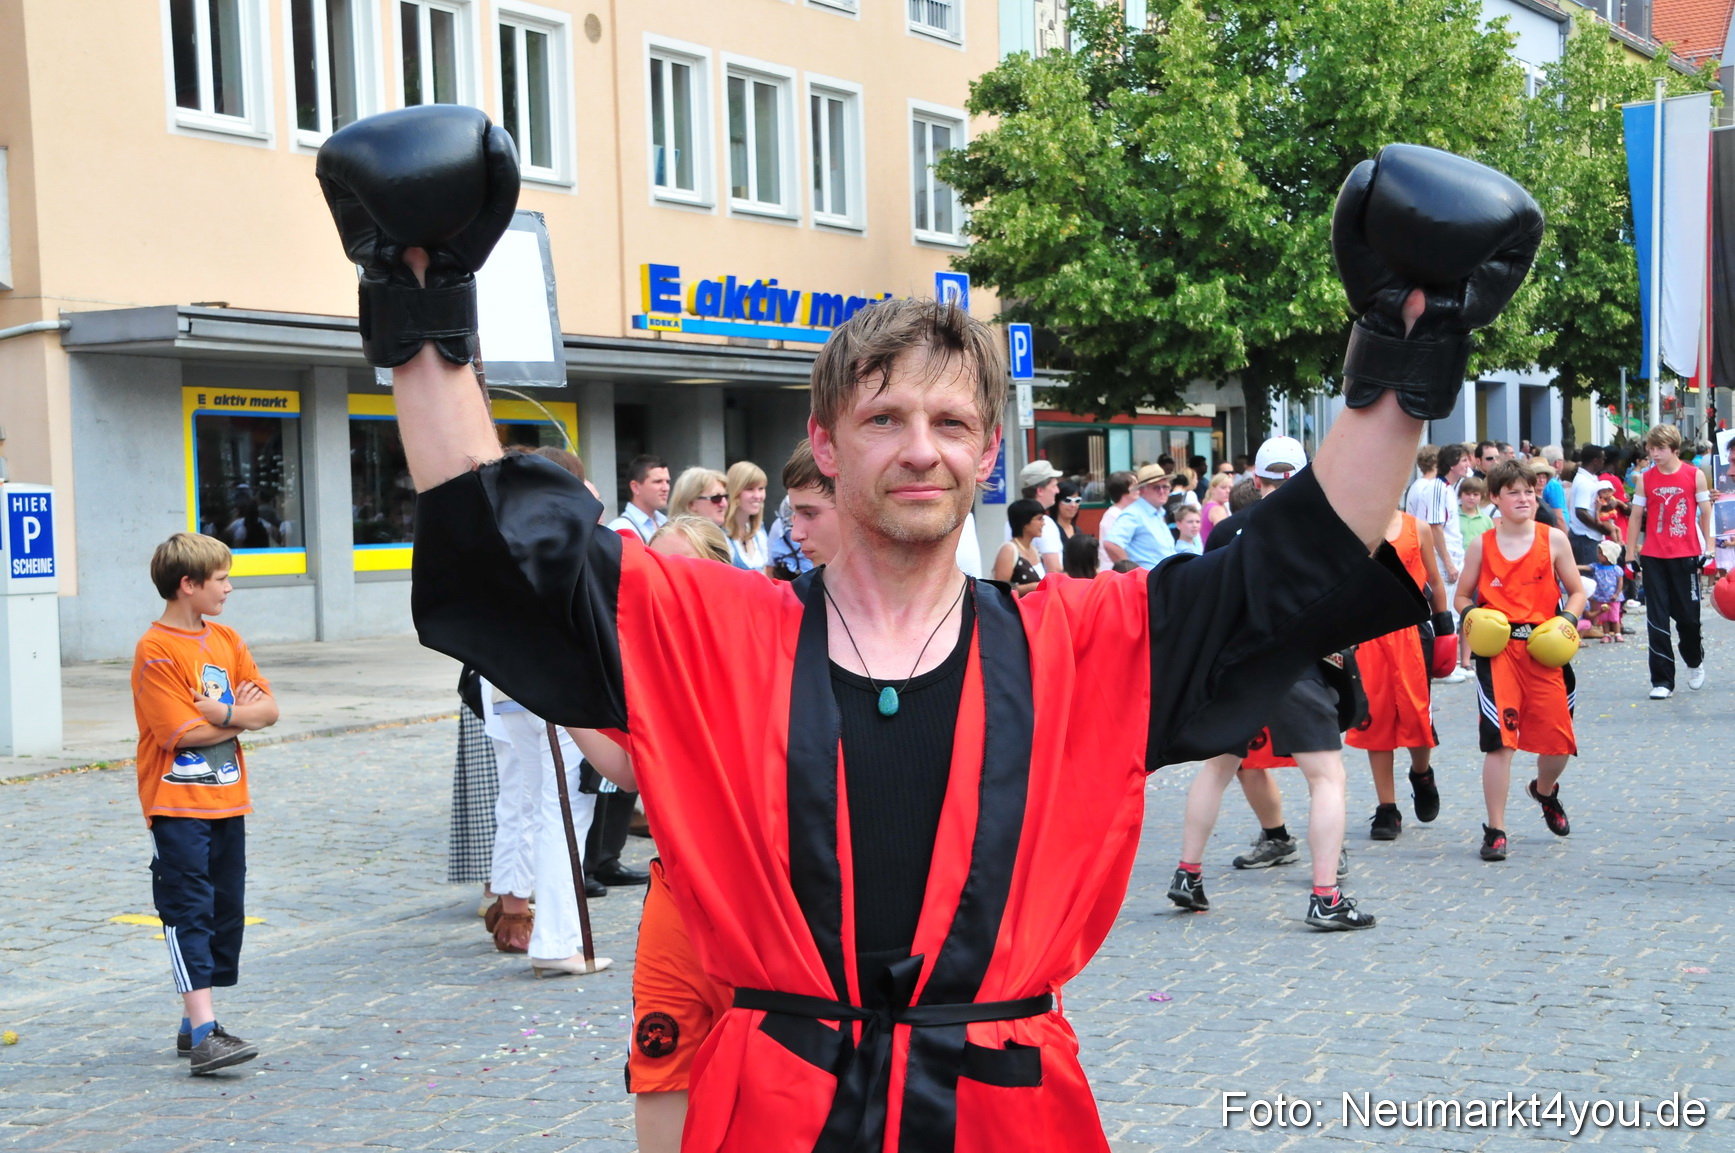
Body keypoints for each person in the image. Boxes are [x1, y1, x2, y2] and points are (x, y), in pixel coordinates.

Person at [318, 110, 1536, 1149]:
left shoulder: (1083, 643)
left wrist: (1406, 345)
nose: (919, 447)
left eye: (951, 423)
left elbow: (1297, 560)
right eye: (885, 415)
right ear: (828, 438)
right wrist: (420, 304)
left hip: (1000, 1105)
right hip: (775, 1105)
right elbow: (509, 555)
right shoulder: (714, 626)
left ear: (989, 452)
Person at [1167, 436, 1373, 929]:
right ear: (1305, 478)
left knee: (1217, 766)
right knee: (1327, 778)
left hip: (1235, 662)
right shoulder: (1324, 530)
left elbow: (1206, 598)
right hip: (1294, 661)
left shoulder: (1226, 531)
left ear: (1255, 481)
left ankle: (1188, 873)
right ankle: (1325, 896)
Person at [133, 532, 279, 1075]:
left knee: (224, 912)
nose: (230, 587)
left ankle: (194, 1014)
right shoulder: (156, 651)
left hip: (227, 800)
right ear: (187, 585)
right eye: (221, 579)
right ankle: (204, 1032)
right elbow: (179, 731)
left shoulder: (227, 639)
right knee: (187, 908)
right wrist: (230, 713)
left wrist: (220, 713)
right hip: (176, 803)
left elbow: (268, 710)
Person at [1455, 459, 1585, 862]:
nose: (1524, 498)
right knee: (1500, 744)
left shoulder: (1554, 540)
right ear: (1496, 498)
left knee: (1558, 742)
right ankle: (1496, 829)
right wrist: (1471, 617)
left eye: (1529, 491)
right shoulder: (1483, 544)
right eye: (1513, 492)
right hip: (1499, 654)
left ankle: (1544, 791)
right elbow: (1462, 595)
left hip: (1546, 650)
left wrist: (1566, 622)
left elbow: (1578, 592)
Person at [1346, 510, 1450, 840]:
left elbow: (1434, 580)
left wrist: (1445, 627)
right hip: (1368, 634)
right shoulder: (1352, 527)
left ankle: (1421, 774)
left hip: (1411, 634)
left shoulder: (1416, 527)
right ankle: (1386, 808)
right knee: (1375, 720)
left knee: (1416, 718)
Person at [1625, 424, 1714, 697]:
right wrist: (1630, 553)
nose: (1655, 453)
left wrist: (1708, 548)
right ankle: (1662, 681)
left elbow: (1705, 512)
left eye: (1660, 448)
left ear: (1674, 449)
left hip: (1686, 554)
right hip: (1654, 555)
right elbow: (1636, 516)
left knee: (1688, 619)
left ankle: (1694, 660)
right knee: (1657, 619)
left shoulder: (1694, 475)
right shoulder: (1645, 478)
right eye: (1651, 448)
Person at [1102, 463, 1176, 569]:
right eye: (1156, 487)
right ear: (1142, 491)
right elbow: (1111, 544)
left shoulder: (1158, 513)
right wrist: (1131, 572)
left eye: (1165, 487)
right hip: (1148, 581)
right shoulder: (1134, 513)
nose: (1162, 491)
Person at [1406, 444, 1459, 585]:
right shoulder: (1430, 487)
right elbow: (1432, 525)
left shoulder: (1416, 485)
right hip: (1431, 552)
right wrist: (1448, 563)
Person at [1014, 459, 1066, 573]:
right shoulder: (1045, 523)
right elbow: (1054, 570)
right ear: (1040, 490)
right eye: (1054, 486)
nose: (1057, 491)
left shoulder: (1012, 519)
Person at [722, 460, 772, 574]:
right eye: (750, 489)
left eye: (761, 488)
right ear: (735, 491)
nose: (758, 496)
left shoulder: (759, 531)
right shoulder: (721, 534)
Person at [610, 455, 671, 544]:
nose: (666, 488)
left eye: (667, 482)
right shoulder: (620, 528)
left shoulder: (666, 522)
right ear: (635, 487)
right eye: (658, 482)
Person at [992, 499, 1047, 596]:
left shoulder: (1035, 550)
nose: (1043, 523)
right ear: (1025, 523)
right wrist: (1032, 587)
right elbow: (1000, 588)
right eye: (1039, 519)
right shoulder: (1009, 550)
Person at [1095, 470, 1138, 572]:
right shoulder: (1113, 515)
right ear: (1123, 491)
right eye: (1135, 486)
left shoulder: (1128, 513)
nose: (1139, 490)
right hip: (1115, 572)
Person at [1200, 472, 1234, 547]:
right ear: (1212, 489)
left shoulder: (1208, 505)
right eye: (1223, 487)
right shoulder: (1217, 510)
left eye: (1230, 488)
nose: (1228, 491)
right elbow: (1224, 536)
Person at [1539, 445, 1568, 520]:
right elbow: (1558, 517)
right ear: (1557, 463)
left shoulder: (1542, 481)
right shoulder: (1554, 485)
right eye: (1562, 461)